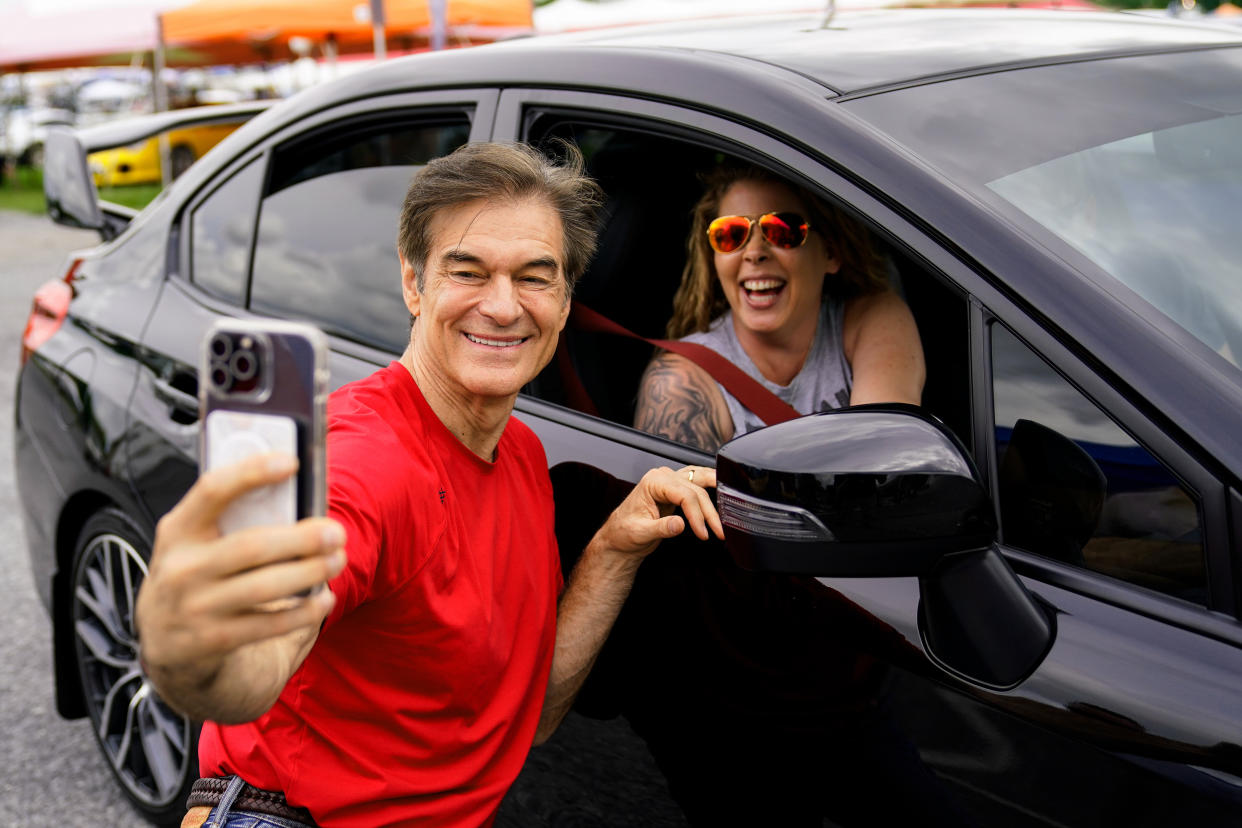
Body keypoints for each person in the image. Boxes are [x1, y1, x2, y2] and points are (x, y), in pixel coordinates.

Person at [134, 142, 723, 828]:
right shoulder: (365, 462)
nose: (503, 307)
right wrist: (189, 650)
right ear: (414, 286)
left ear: (565, 303)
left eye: (536, 277)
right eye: (467, 271)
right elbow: (253, 670)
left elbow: (523, 721)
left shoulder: (522, 454)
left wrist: (614, 549)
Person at [635, 163, 924, 449]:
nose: (755, 253)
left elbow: (882, 464)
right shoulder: (678, 383)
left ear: (831, 253)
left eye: (782, 231)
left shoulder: (873, 317)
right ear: (714, 258)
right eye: (731, 234)